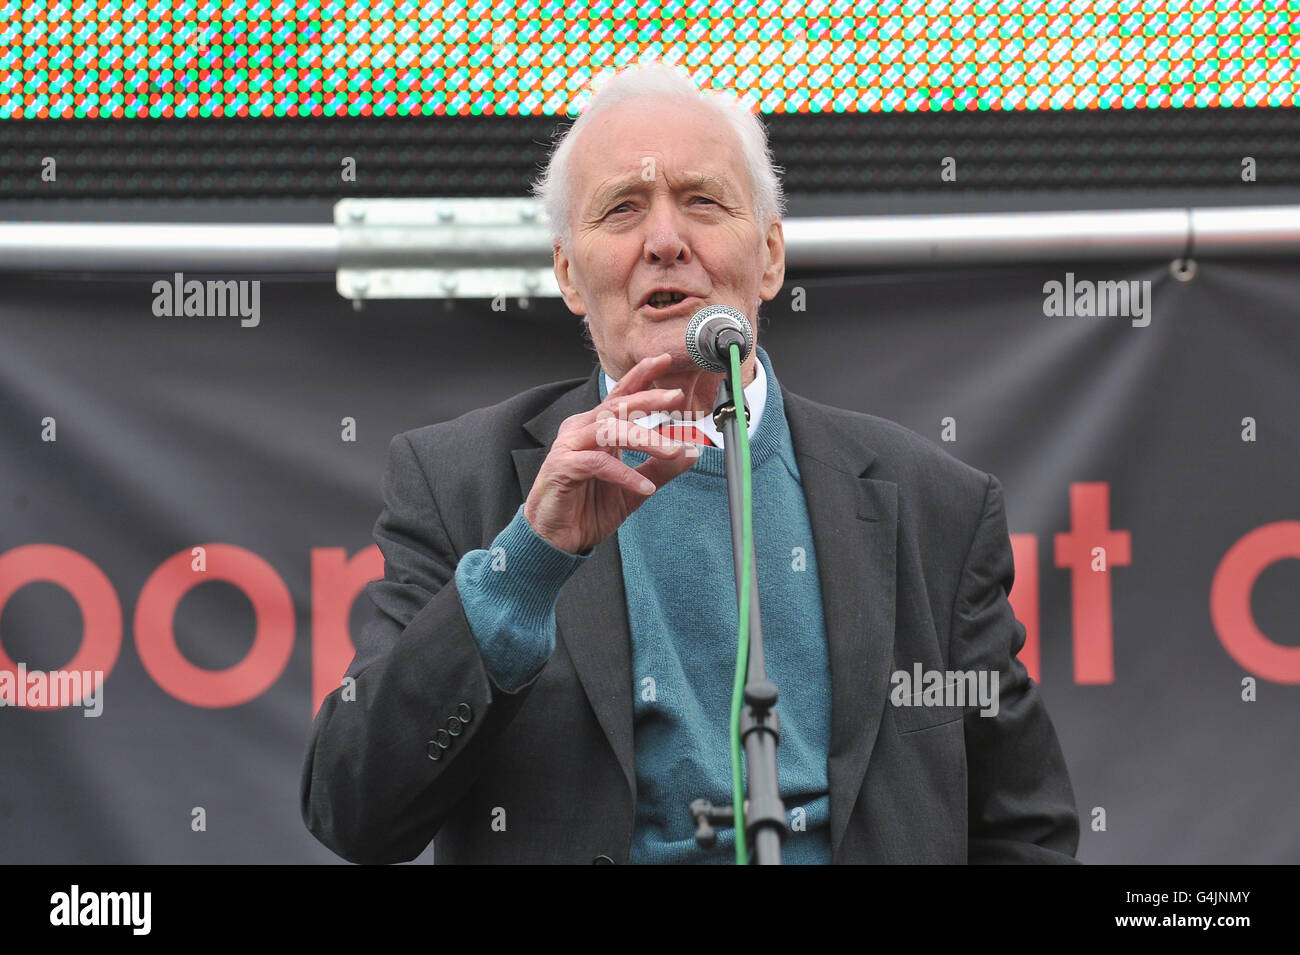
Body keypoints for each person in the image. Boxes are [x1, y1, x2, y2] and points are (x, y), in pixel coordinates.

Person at [300, 61, 1080, 864]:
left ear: (770, 257)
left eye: (703, 201)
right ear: (569, 273)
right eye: (622, 209)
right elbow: (354, 808)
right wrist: (529, 560)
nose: (666, 241)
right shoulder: (461, 481)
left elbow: (1028, 830)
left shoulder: (933, 505)